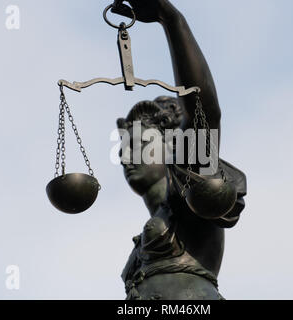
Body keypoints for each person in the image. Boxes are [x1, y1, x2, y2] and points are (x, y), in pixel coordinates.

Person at [113, 0, 247, 300]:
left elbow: (205, 109)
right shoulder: (156, 221)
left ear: (172, 145)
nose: (126, 156)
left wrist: (170, 19)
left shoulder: (191, 193)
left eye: (140, 146)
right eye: (124, 148)